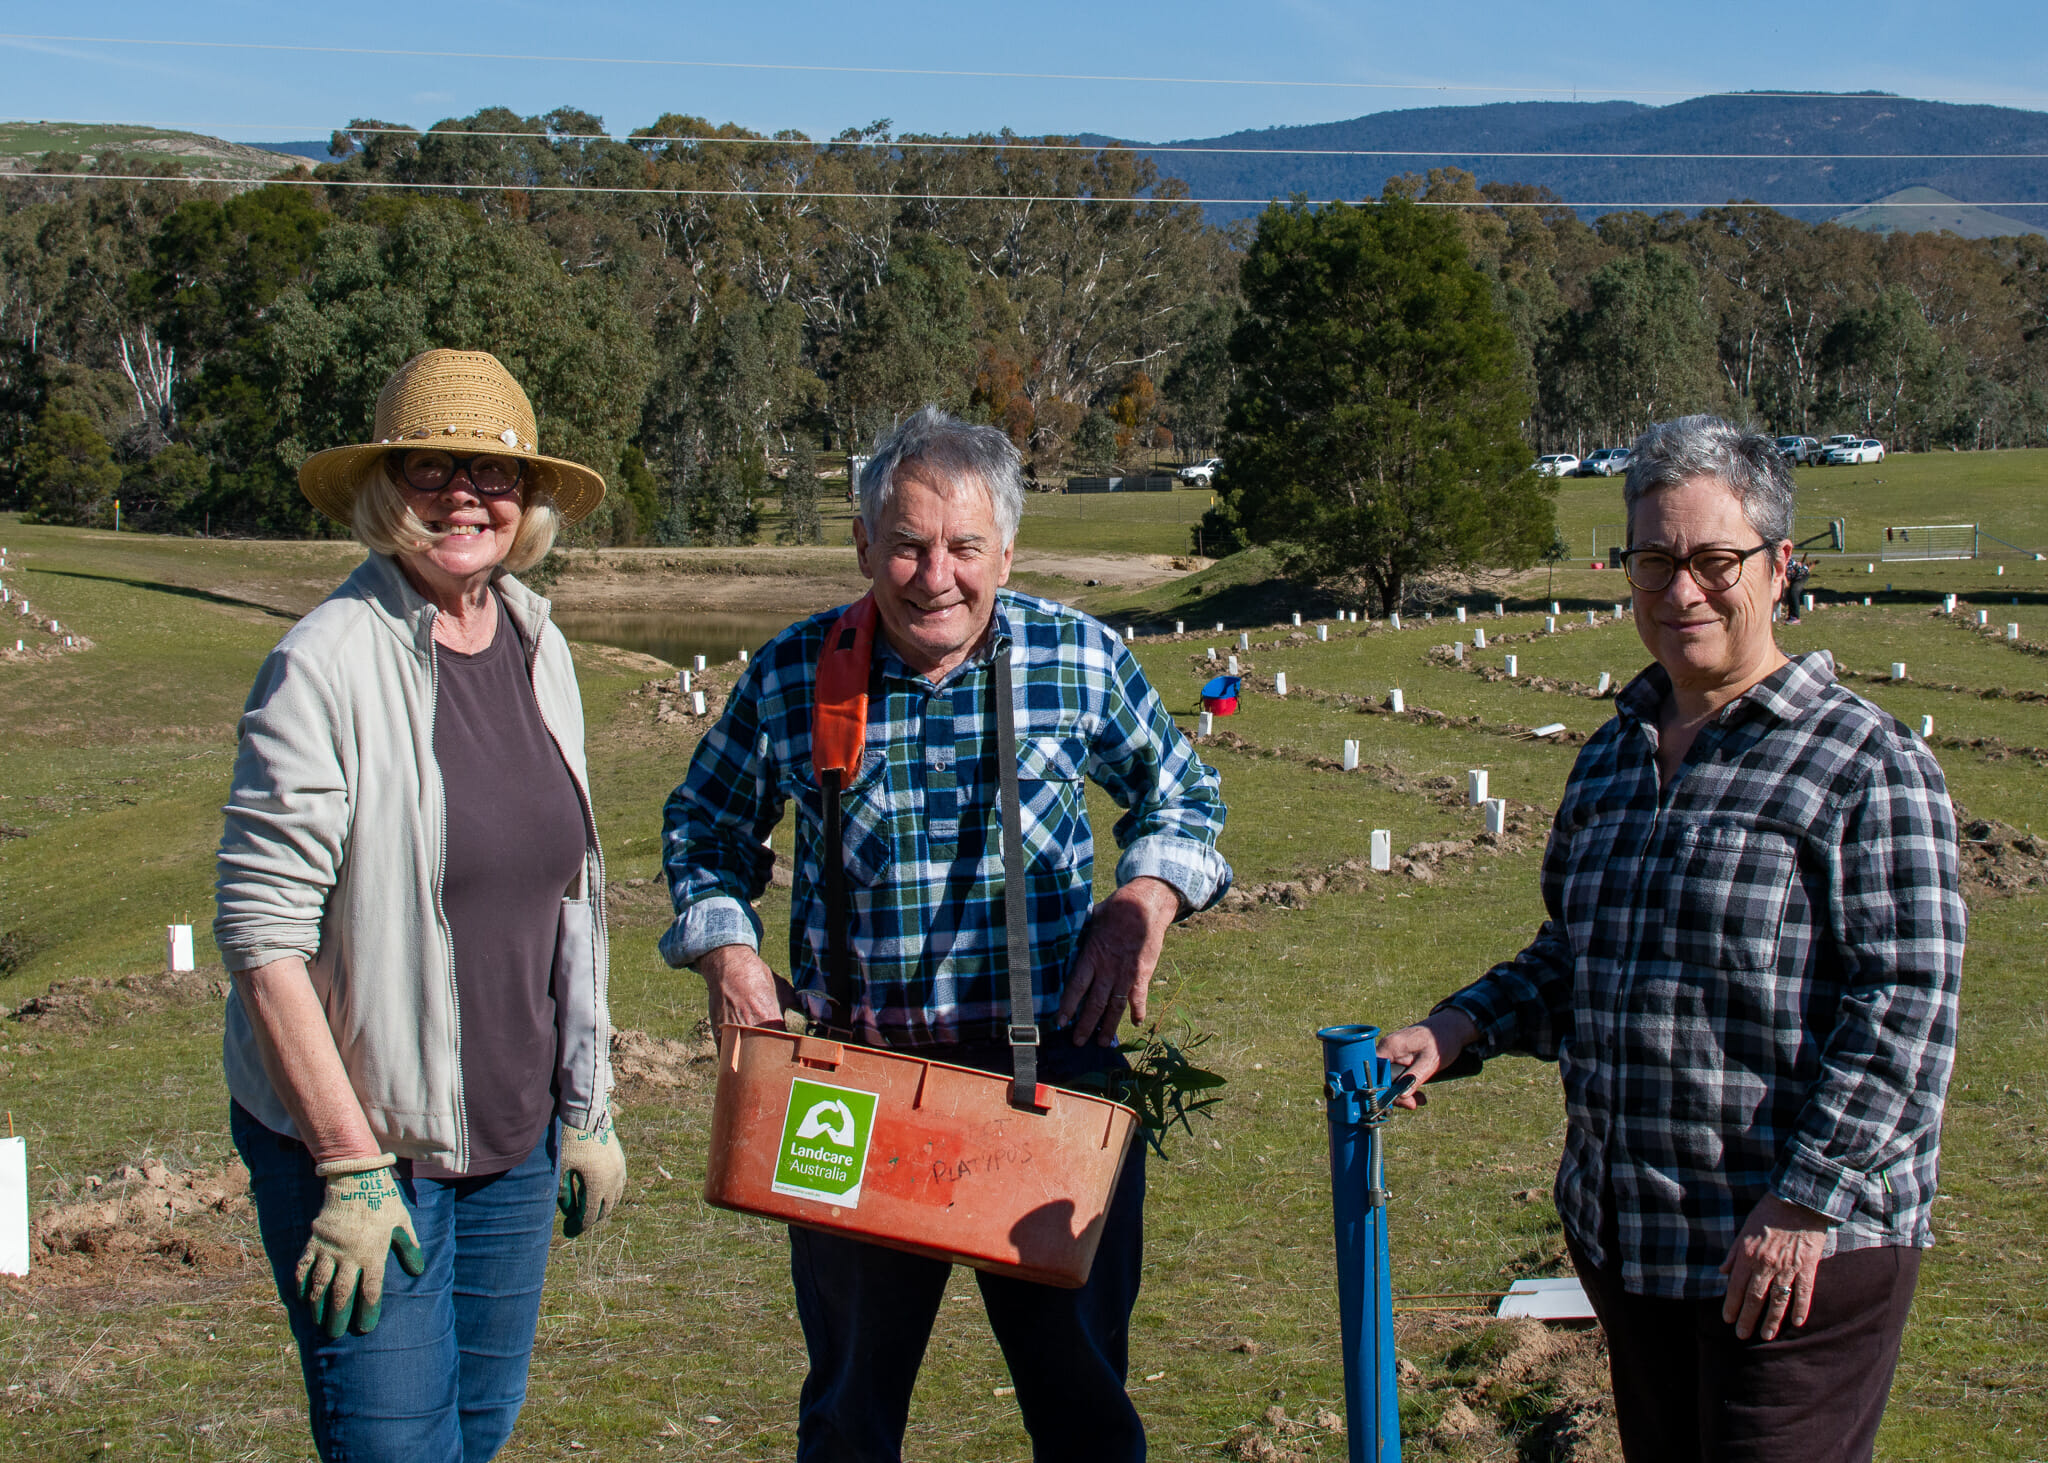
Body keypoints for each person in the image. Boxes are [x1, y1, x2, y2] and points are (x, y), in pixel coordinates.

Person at [1379, 415, 1964, 1463]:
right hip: (1633, 1240)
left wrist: (1803, 1199)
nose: (1680, 588)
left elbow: (1906, 1010)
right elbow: (1579, 956)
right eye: (1653, 559)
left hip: (1795, 1259)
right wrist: (1457, 1025)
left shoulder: (1862, 763)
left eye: (1712, 559)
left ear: (1779, 567)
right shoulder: (1610, 759)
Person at [660, 406, 1231, 1462]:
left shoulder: (1080, 659)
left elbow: (1184, 801)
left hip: (1052, 1083)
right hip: (852, 1086)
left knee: (1084, 1411)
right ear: (863, 545)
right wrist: (726, 944)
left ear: (1004, 550)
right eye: (909, 544)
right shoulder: (798, 672)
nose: (936, 576)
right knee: (845, 1416)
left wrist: (1144, 897)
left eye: (964, 546)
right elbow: (704, 821)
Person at [215, 348, 628, 1463]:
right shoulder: (323, 664)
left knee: (479, 1430)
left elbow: (571, 897)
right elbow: (262, 941)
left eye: (494, 476)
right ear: (384, 486)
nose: (466, 496)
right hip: (365, 1149)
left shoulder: (541, 646)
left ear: (530, 504)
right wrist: (346, 1162)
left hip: (513, 1139)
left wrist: (586, 1106)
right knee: (396, 1446)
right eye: (431, 467)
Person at [1783, 553, 1813, 623]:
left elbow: (1785, 580)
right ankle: (1790, 616)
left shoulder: (1786, 564)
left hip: (1802, 575)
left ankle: (1795, 618)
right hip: (1795, 576)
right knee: (1790, 594)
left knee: (1793, 593)